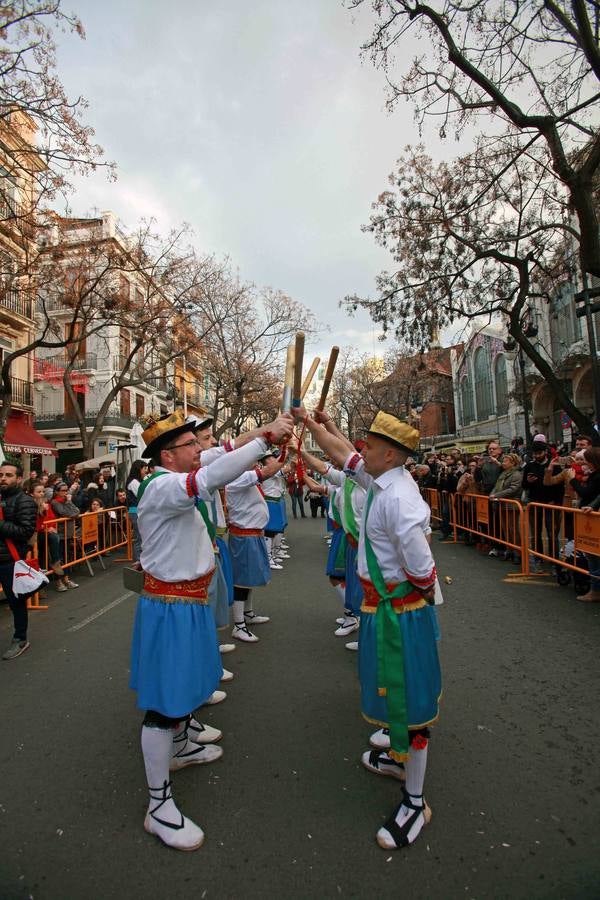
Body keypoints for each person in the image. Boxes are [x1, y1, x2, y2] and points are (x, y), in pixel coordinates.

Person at [130, 409, 293, 851]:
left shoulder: (181, 469)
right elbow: (209, 477)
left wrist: (264, 430)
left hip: (188, 600)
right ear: (169, 454)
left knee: (188, 688)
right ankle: (157, 805)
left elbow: (222, 452)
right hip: (170, 606)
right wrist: (264, 442)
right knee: (163, 702)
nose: (201, 448)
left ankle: (182, 745)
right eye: (192, 444)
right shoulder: (163, 485)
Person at [296, 408, 440, 850]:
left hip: (401, 615)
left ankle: (414, 802)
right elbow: (341, 453)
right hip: (385, 612)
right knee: (391, 694)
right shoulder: (380, 480)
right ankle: (400, 762)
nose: (361, 449)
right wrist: (311, 424)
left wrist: (406, 599)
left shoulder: (400, 500)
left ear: (392, 454)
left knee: (411, 704)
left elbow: (423, 571)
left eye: (371, 445)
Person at [225, 451, 284, 642]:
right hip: (244, 536)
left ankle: (247, 614)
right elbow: (267, 472)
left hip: (252, 534)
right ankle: (238, 624)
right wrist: (286, 453)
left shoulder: (243, 476)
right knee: (241, 580)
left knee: (249, 578)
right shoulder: (237, 477)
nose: (254, 463)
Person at [0, 461, 38, 660]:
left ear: (19, 478)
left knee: (16, 602)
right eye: (1, 475)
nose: (3, 478)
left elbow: (25, 531)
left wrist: (0, 524)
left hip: (10, 560)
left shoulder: (24, 501)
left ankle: (20, 638)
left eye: (8, 475)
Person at [566, 447, 600, 602]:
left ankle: (596, 590)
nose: (584, 465)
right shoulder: (593, 475)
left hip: (594, 519)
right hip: (590, 516)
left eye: (586, 462)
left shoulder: (596, 476)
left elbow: (590, 494)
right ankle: (595, 589)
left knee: (594, 556)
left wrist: (573, 479)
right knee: (591, 554)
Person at [488, 453, 523, 560]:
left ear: (513, 463)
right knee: (505, 529)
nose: (503, 463)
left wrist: (497, 495)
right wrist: (492, 494)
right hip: (502, 504)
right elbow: (497, 486)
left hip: (512, 505)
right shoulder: (503, 474)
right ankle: (509, 550)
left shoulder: (516, 474)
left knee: (513, 529)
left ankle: (518, 552)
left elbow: (513, 489)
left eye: (505, 461)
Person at [126, 459, 149, 561]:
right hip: (136, 511)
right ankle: (138, 561)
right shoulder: (134, 482)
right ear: (139, 469)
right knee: (139, 538)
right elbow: (142, 495)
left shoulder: (137, 481)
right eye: (144, 469)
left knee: (140, 537)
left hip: (136, 511)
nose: (146, 471)